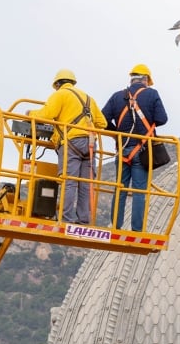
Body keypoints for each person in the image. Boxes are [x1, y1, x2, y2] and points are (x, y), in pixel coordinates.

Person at [28, 69, 106, 224]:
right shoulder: (88, 98)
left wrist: (30, 113)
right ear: (73, 82)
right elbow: (102, 123)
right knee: (85, 183)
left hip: (71, 142)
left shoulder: (60, 95)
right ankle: (84, 219)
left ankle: (66, 219)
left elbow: (47, 114)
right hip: (90, 144)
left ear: (57, 84)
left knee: (68, 181)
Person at [102, 63, 169, 232]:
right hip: (143, 150)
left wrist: (117, 132)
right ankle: (137, 229)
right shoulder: (152, 94)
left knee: (120, 188)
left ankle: (116, 227)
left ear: (131, 79)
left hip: (122, 148)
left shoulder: (117, 97)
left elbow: (102, 120)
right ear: (146, 80)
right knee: (139, 191)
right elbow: (162, 119)